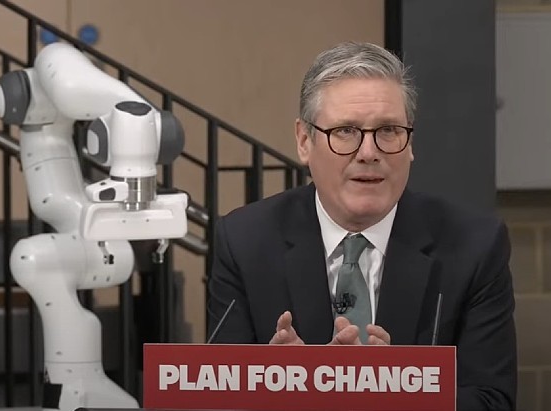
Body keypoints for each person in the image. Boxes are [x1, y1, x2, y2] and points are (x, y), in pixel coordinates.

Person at [206, 42, 516, 410]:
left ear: (410, 143)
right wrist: (280, 388)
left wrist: (398, 391)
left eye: (388, 130)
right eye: (346, 131)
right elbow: (215, 397)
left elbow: (492, 401)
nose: (369, 152)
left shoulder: (474, 246)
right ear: (304, 141)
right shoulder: (245, 242)